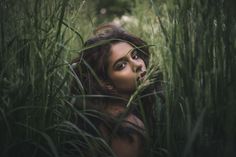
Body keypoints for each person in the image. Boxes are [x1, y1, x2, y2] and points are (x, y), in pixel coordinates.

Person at [70, 24, 163, 157]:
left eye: (135, 56)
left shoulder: (103, 112)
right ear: (106, 83)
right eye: (121, 65)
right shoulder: (125, 125)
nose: (137, 65)